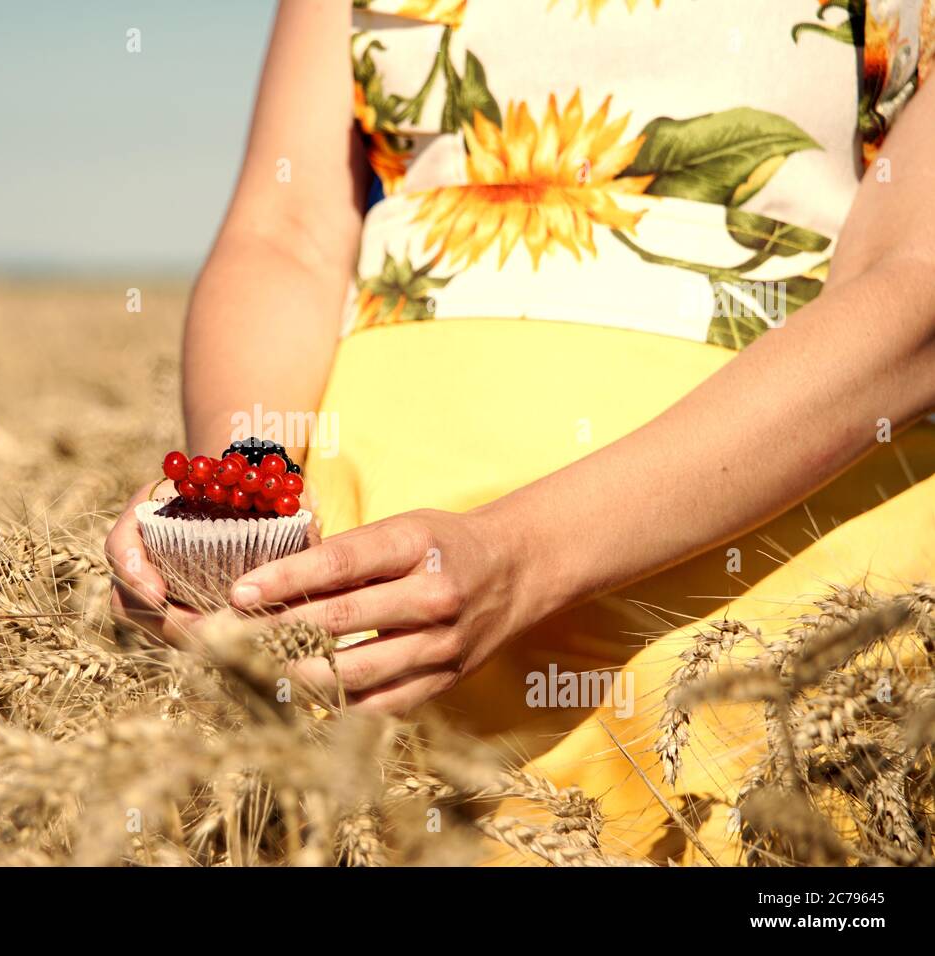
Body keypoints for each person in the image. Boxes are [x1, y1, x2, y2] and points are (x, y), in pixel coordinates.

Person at [108, 0, 935, 862]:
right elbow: (288, 231)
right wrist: (238, 497)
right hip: (363, 562)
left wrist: (521, 556)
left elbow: (915, 285)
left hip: (756, 574)